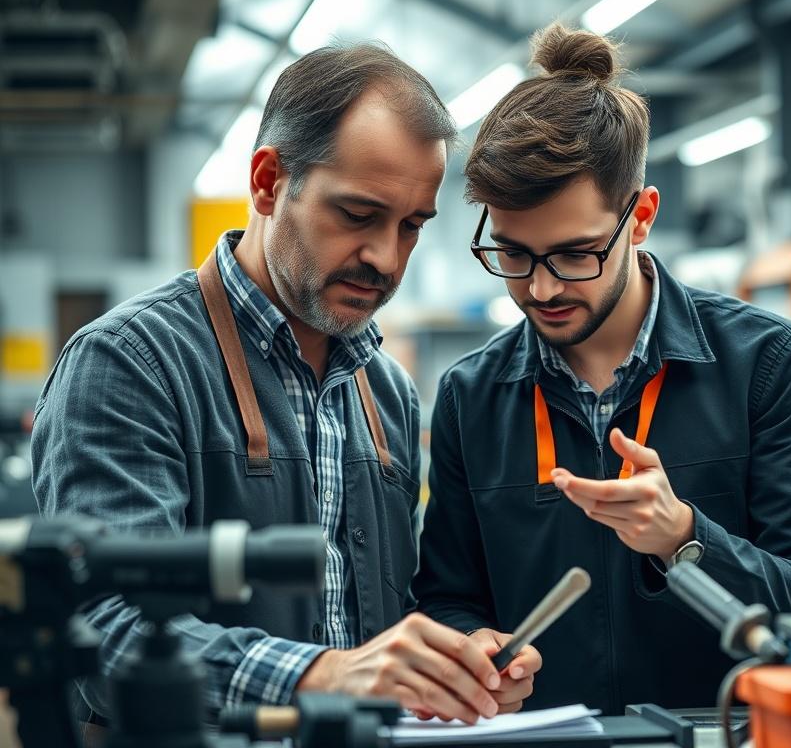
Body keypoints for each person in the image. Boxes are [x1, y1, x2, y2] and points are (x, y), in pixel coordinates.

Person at [32, 43, 539, 726]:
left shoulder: (386, 392)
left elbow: (377, 626)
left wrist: (454, 661)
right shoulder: (130, 364)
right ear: (269, 181)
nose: (386, 258)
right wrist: (321, 676)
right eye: (357, 215)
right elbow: (106, 630)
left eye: (412, 226)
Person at [413, 23, 791, 713]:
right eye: (514, 254)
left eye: (575, 253)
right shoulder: (471, 396)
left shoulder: (767, 364)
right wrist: (471, 648)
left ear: (641, 217)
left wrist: (686, 539)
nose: (542, 288)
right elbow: (447, 597)